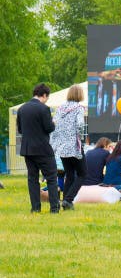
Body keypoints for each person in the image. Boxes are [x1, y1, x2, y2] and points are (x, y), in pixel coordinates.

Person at [17, 83, 60, 213]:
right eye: (47, 97)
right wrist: (53, 123)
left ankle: (35, 208)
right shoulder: (44, 109)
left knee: (32, 179)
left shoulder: (22, 109)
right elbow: (49, 128)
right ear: (44, 95)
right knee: (51, 178)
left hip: (27, 149)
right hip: (43, 149)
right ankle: (54, 208)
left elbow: (20, 129)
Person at [49, 84, 86, 210]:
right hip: (74, 146)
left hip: (62, 147)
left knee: (69, 174)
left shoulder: (60, 108)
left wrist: (54, 144)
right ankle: (68, 200)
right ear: (79, 95)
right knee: (82, 174)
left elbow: (53, 125)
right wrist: (81, 139)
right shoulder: (79, 108)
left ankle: (65, 202)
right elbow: (80, 125)